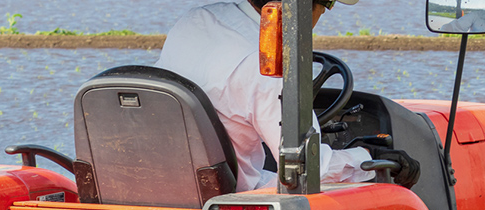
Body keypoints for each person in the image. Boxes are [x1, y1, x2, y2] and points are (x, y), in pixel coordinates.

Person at [156, 0, 420, 189]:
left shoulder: (195, 20)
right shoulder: (269, 68)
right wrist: (370, 157)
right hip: (226, 195)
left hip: (163, 181)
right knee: (361, 188)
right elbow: (312, 168)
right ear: (304, 7)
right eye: (327, 5)